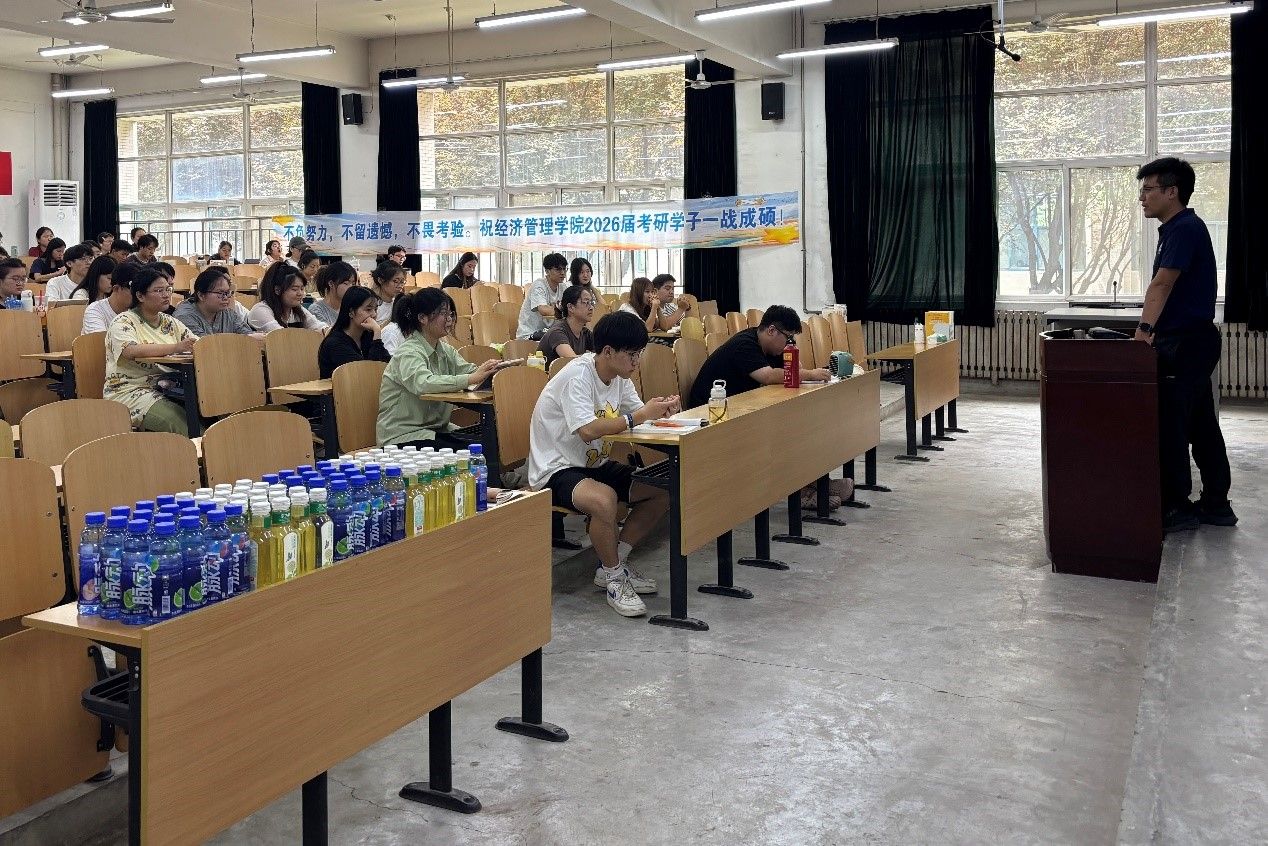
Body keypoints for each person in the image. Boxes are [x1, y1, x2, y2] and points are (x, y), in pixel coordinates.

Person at [527, 311, 676, 618]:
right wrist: (640, 416)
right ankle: (614, 578)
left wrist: (662, 413)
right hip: (556, 468)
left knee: (662, 490)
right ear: (608, 351)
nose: (636, 362)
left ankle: (614, 564)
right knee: (604, 500)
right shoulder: (578, 376)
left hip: (594, 464)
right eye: (632, 355)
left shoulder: (620, 378)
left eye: (639, 354)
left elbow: (638, 416)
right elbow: (588, 430)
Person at [1134, 157, 1235, 531]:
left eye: (1148, 189)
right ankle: (1216, 504)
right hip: (1192, 342)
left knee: (1172, 427)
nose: (1142, 197)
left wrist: (1143, 331)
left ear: (1171, 192)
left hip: (1185, 343)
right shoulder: (1179, 229)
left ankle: (1177, 507)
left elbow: (1162, 284)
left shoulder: (1184, 229)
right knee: (1200, 424)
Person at [687, 305, 846, 507]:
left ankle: (816, 483)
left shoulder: (772, 347)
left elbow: (793, 369)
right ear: (771, 330)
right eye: (788, 337)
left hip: (738, 409)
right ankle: (802, 492)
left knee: (801, 425)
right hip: (711, 415)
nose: (789, 343)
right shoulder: (745, 344)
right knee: (783, 433)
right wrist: (809, 374)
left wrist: (793, 357)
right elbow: (768, 376)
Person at [376, 288, 501, 449]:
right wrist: (471, 379)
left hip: (434, 429)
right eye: (443, 314)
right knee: (475, 449)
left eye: (451, 314)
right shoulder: (408, 352)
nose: (449, 319)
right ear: (422, 318)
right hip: (402, 436)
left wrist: (494, 371)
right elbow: (423, 383)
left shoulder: (446, 350)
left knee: (489, 441)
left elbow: (469, 371)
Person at [103, 267, 197, 435]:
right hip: (131, 390)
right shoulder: (123, 321)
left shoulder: (170, 322)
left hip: (170, 386)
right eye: (159, 291)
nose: (166, 295)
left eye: (168, 289)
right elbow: (130, 350)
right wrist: (175, 348)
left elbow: (196, 343)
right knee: (181, 423)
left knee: (209, 413)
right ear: (140, 296)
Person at [318, 286, 391, 379]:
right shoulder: (335, 342)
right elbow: (365, 373)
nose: (374, 314)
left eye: (375, 309)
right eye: (368, 309)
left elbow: (388, 367)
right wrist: (377, 333)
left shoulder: (367, 335)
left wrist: (376, 336)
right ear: (351, 312)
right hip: (340, 388)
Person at [172, 268, 262, 340]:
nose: (226, 297)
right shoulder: (184, 316)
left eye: (227, 293)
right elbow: (204, 344)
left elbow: (248, 336)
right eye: (220, 293)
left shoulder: (228, 313)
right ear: (201, 295)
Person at [249, 263, 328, 333]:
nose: (300, 293)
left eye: (302, 289)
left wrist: (326, 330)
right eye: (294, 289)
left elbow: (318, 326)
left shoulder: (297, 310)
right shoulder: (260, 310)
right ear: (277, 290)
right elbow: (282, 336)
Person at [538, 284, 596, 366]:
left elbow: (601, 355)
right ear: (571, 307)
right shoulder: (557, 332)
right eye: (586, 302)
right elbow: (573, 362)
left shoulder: (585, 333)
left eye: (592, 303)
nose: (591, 308)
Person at [516, 252, 568, 339]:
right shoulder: (539, 285)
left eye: (564, 269)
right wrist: (565, 312)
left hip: (547, 332)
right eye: (558, 269)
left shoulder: (563, 287)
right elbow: (544, 310)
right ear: (547, 271)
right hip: (529, 334)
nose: (562, 273)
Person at [83, 263, 138, 334]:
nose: (138, 296)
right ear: (116, 289)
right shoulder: (95, 310)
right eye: (133, 290)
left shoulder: (139, 311)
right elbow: (99, 340)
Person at [308, 260, 356, 326]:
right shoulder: (316, 310)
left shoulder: (352, 308)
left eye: (353, 284)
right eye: (346, 283)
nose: (351, 288)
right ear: (331, 283)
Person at [370, 259, 408, 324]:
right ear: (381, 280)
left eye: (402, 282)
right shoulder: (372, 306)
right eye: (396, 281)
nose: (400, 286)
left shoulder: (399, 303)